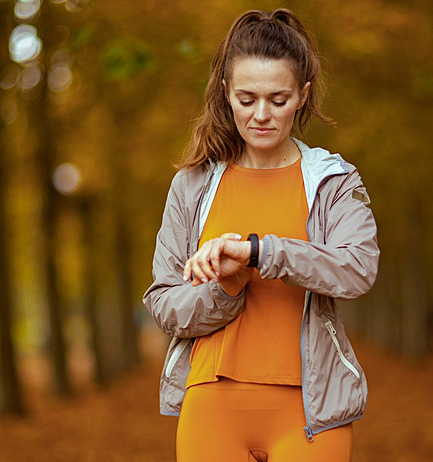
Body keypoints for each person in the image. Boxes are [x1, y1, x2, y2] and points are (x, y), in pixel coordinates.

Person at [143, 8, 379, 462]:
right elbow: (165, 305)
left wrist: (259, 252)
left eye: (279, 98)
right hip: (211, 405)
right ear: (227, 93)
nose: (262, 115)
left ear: (303, 96)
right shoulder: (192, 186)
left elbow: (357, 269)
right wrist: (228, 286)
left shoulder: (334, 182)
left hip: (311, 412)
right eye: (247, 99)